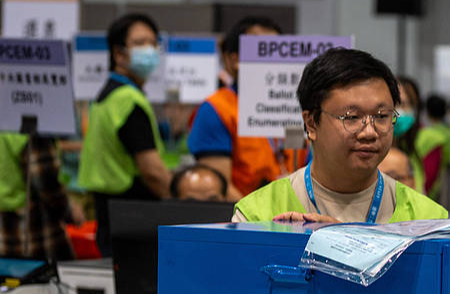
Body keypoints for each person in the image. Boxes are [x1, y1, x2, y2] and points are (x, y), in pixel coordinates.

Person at [232, 48, 447, 223]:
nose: (369, 132)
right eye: (351, 117)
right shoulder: (257, 216)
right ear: (311, 123)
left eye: (381, 116)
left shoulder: (427, 220)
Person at [78, 13, 170, 257]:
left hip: (109, 214)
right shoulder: (127, 100)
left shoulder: (105, 96)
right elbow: (152, 171)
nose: (149, 50)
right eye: (140, 43)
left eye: (153, 43)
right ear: (118, 54)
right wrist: (180, 206)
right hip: (132, 220)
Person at [187, 16, 307, 200]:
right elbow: (220, 187)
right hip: (241, 220)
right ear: (235, 60)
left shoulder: (295, 108)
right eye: (262, 51)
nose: (272, 60)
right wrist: (257, 219)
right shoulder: (215, 109)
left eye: (277, 51)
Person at [0, 132, 74, 260]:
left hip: (5, 237)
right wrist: (69, 210)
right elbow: (46, 182)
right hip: (35, 235)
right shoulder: (29, 130)